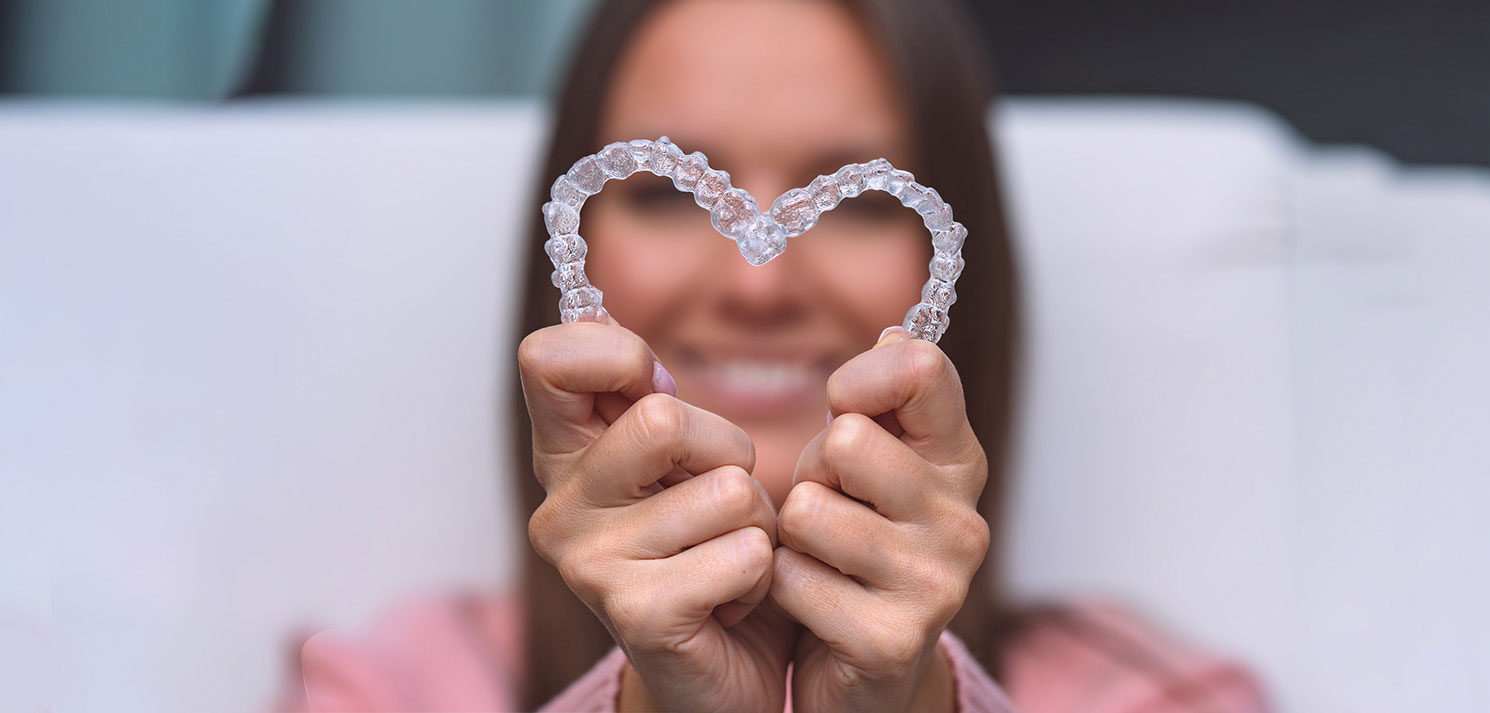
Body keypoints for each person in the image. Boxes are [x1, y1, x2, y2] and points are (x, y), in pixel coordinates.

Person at [274, 0, 1269, 711]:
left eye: (860, 200)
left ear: (959, 260)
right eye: (666, 193)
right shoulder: (375, 687)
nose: (758, 285)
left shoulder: (1162, 696)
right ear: (571, 257)